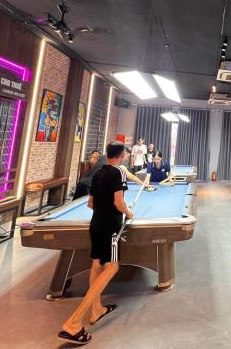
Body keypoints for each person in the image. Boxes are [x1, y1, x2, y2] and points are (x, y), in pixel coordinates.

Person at [58, 141, 134, 345]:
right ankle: (74, 322)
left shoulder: (98, 173)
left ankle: (97, 309)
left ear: (107, 154)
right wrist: (128, 213)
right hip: (111, 227)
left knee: (97, 264)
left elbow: (91, 203)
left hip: (96, 224)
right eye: (125, 154)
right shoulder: (118, 173)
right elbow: (119, 202)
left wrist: (105, 209)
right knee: (112, 267)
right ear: (121, 156)